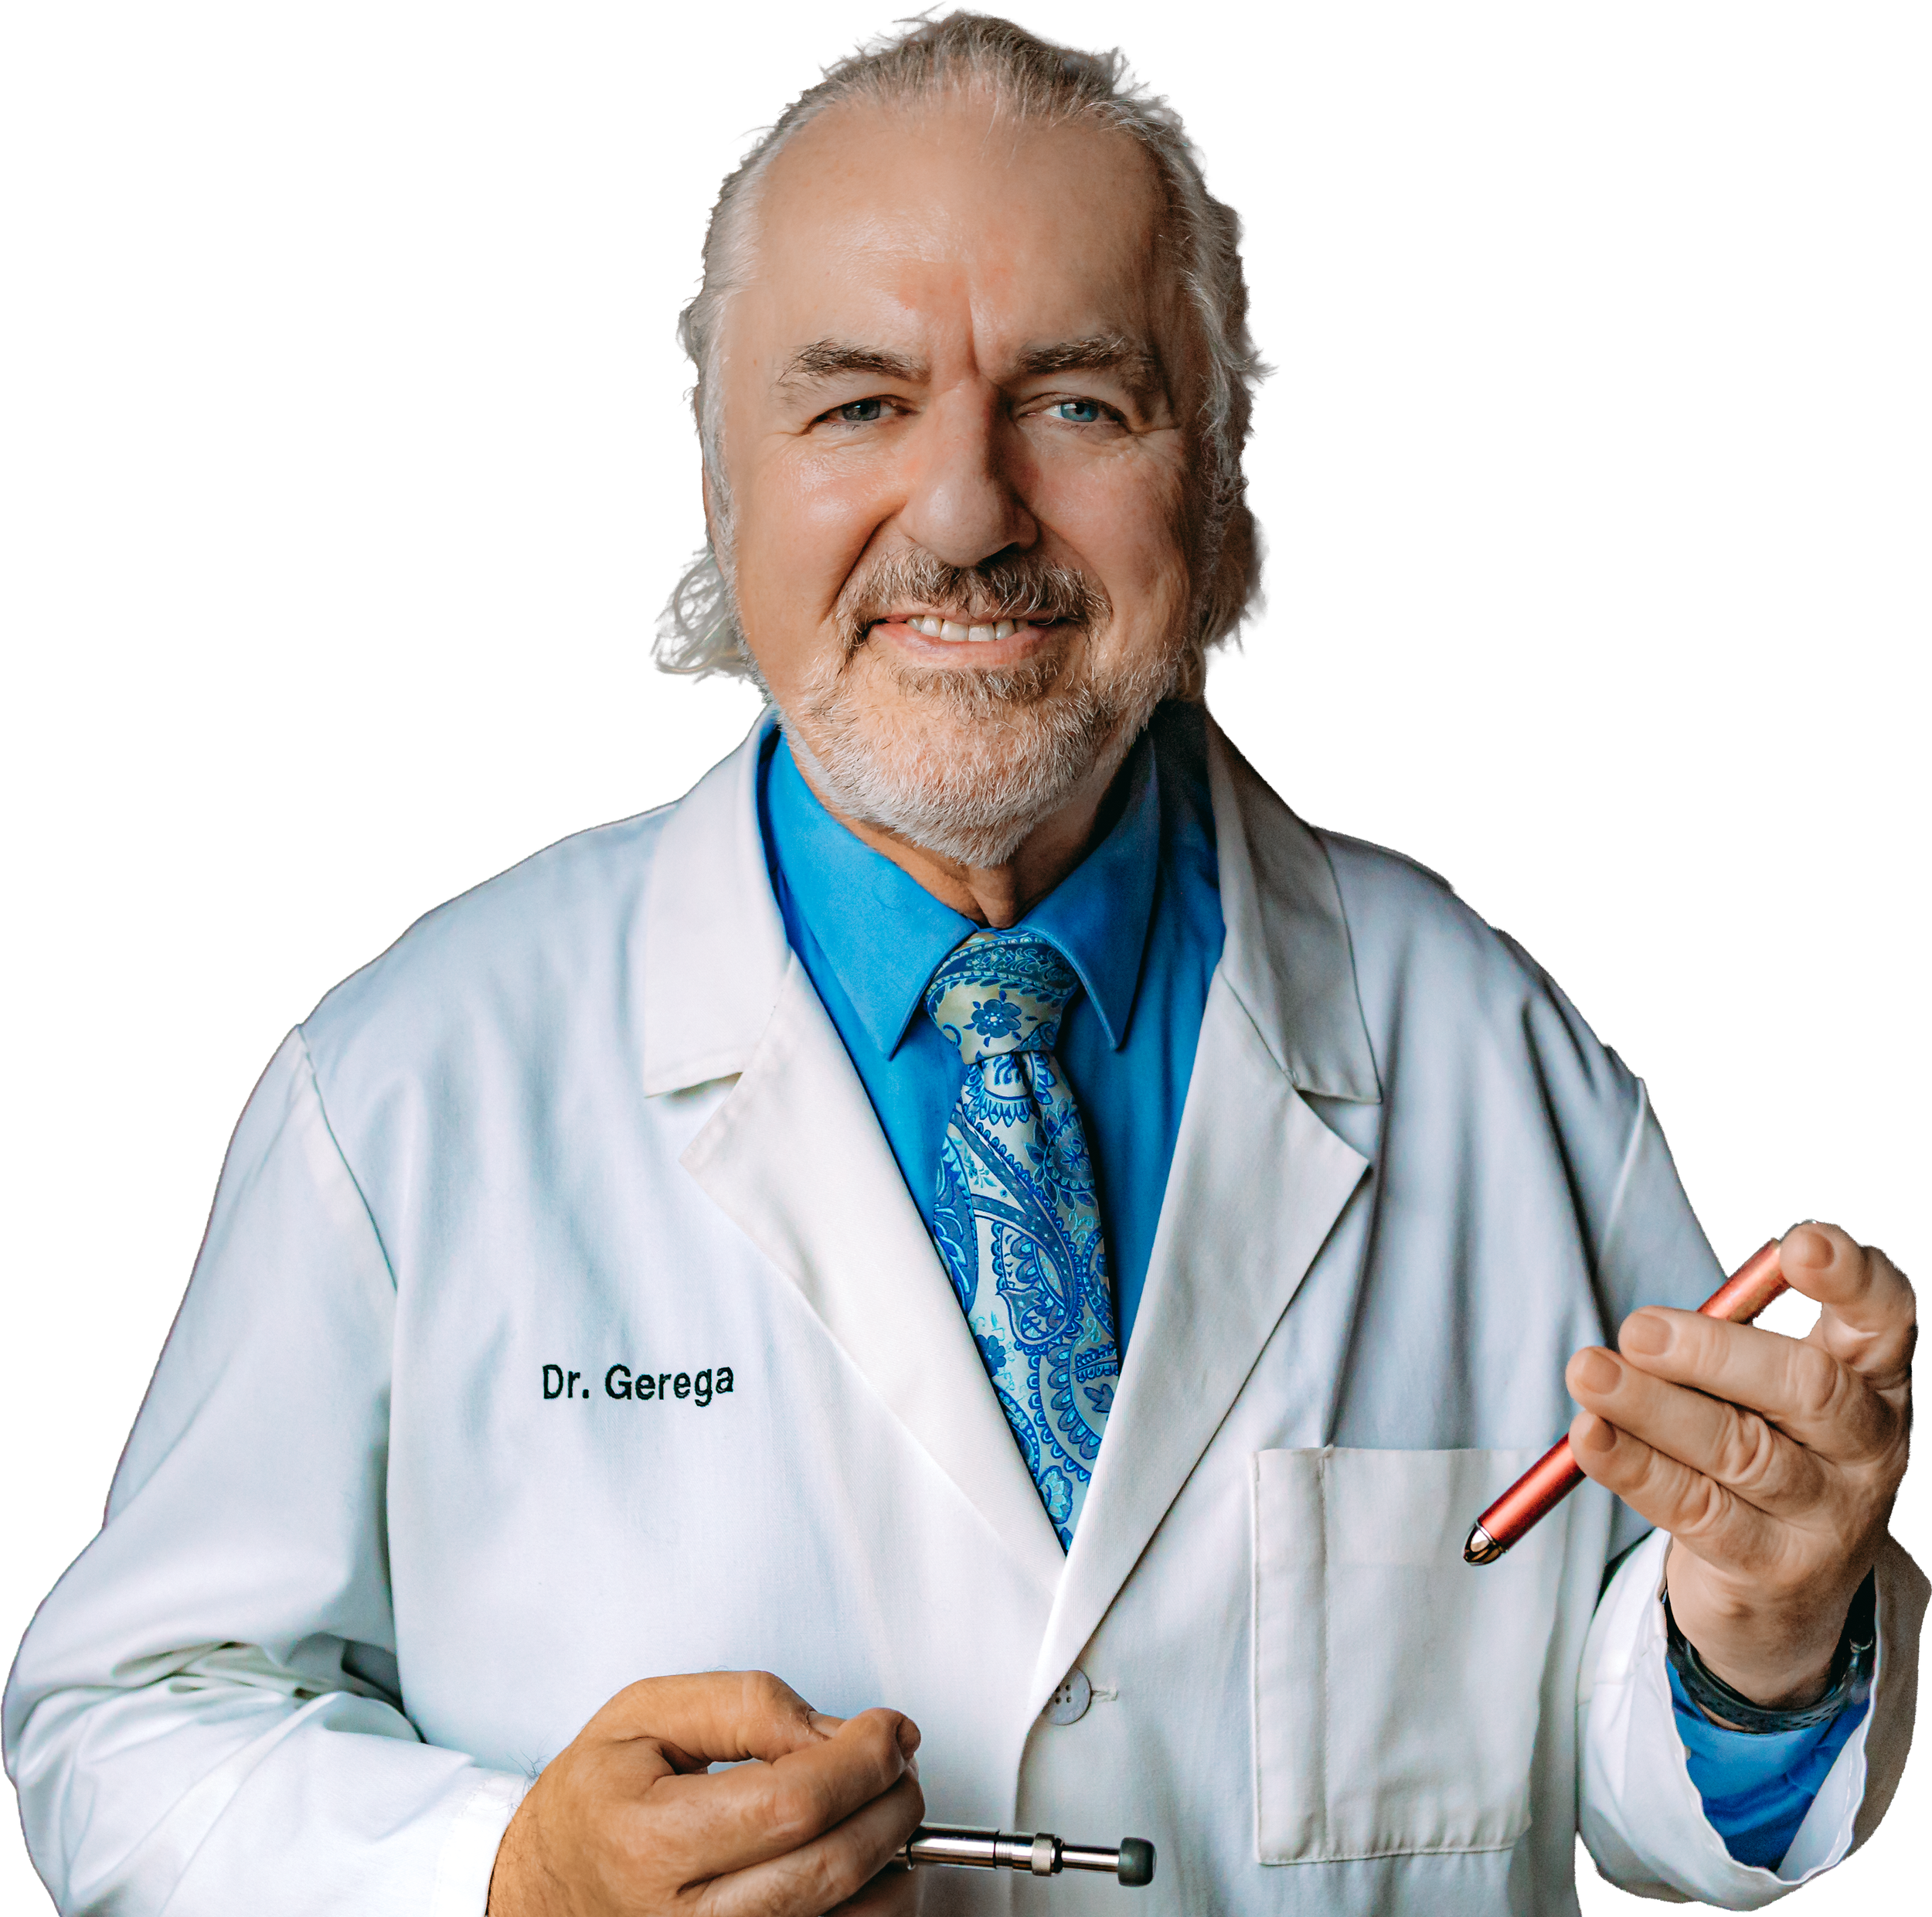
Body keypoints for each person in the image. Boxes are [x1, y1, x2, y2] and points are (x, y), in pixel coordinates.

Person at [5, 15, 1921, 1915]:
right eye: (854, 405)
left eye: (1075, 402)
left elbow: (1631, 1757)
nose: (962, 511)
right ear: (717, 486)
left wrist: (1753, 1629)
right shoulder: (414, 1081)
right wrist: (498, 1882)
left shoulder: (1478, 1044)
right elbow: (125, 1725)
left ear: (1218, 479)